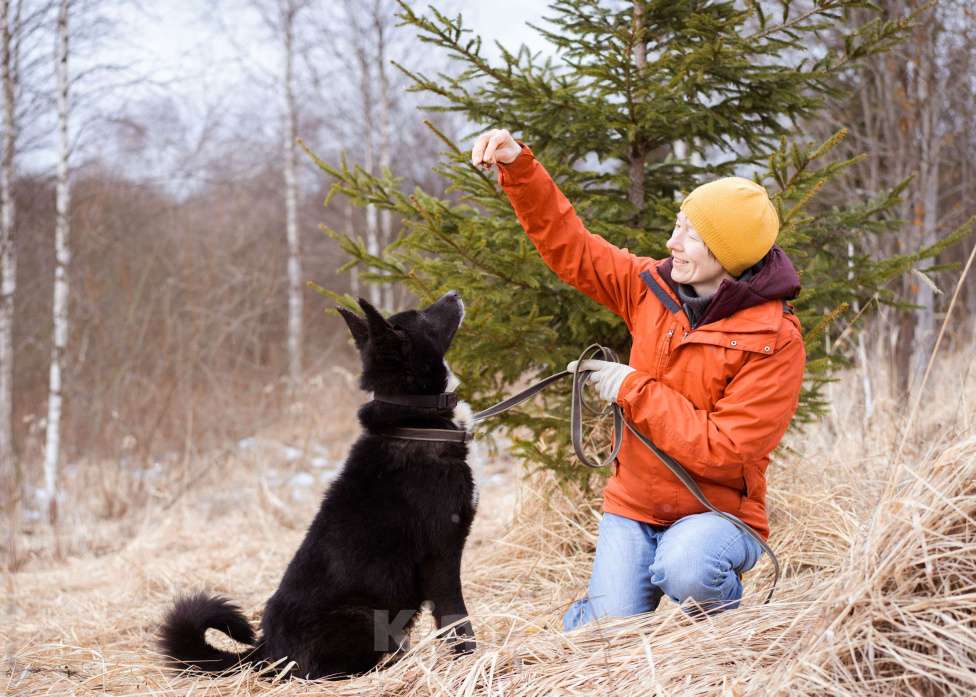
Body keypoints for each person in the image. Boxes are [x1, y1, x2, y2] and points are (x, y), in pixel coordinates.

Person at [470, 129, 806, 630]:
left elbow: (727, 447)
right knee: (604, 635)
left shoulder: (774, 339)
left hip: (720, 515)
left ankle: (726, 635)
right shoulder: (650, 287)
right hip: (636, 503)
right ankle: (583, 624)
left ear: (727, 254)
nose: (673, 242)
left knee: (687, 566)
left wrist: (632, 389)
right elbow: (571, 248)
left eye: (690, 234)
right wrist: (519, 168)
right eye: (677, 225)